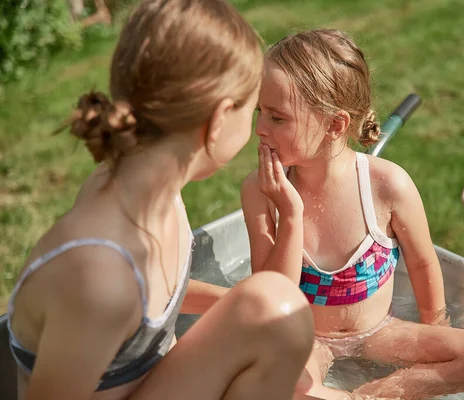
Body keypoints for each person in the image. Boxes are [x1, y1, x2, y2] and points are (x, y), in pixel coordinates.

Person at [6, 1, 315, 399]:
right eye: (252, 110)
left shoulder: (154, 197)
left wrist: (235, 306)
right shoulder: (99, 278)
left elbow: (148, 309)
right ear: (219, 119)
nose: (257, 127)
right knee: (276, 307)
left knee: (273, 311)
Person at [241, 29, 464, 400]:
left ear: (335, 125)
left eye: (277, 117)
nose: (259, 128)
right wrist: (289, 212)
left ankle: (373, 395)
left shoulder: (388, 186)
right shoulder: (261, 192)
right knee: (283, 389)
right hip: (307, 339)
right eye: (260, 111)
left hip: (379, 332)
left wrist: (435, 330)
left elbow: (422, 264)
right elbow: (270, 298)